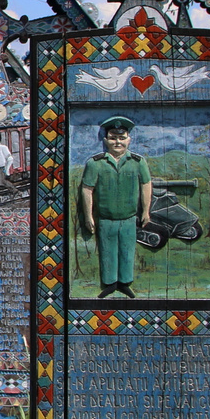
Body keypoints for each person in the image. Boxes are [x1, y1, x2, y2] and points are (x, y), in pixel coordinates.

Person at [78, 115, 152, 299]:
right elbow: (87, 189)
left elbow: (146, 185)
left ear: (129, 139)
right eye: (112, 137)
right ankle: (110, 284)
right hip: (105, 219)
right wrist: (88, 216)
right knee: (108, 251)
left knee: (127, 251)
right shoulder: (95, 163)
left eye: (121, 137)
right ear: (105, 140)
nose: (117, 142)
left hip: (128, 218)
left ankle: (125, 283)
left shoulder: (137, 162)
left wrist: (146, 211)